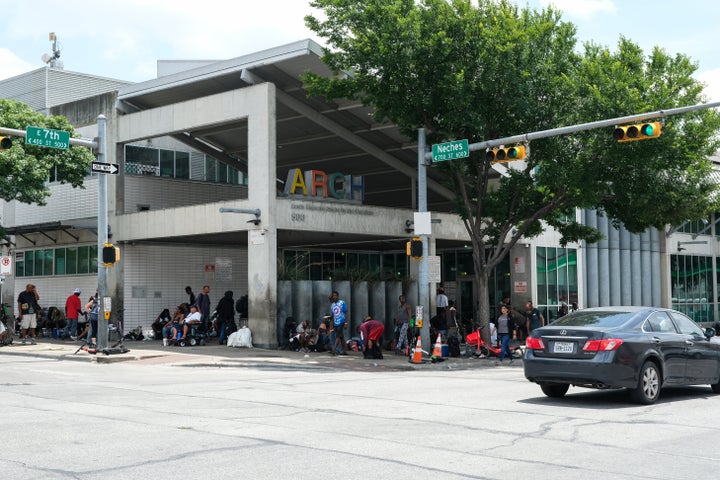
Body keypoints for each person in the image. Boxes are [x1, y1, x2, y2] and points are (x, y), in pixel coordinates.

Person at [329, 291, 348, 356]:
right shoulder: (332, 305)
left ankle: (334, 350)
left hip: (341, 321)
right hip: (335, 322)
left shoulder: (342, 302)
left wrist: (346, 322)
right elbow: (332, 315)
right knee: (341, 337)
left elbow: (346, 312)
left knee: (337, 336)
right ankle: (345, 350)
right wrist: (331, 326)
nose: (334, 297)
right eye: (333, 296)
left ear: (337, 296)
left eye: (335, 295)